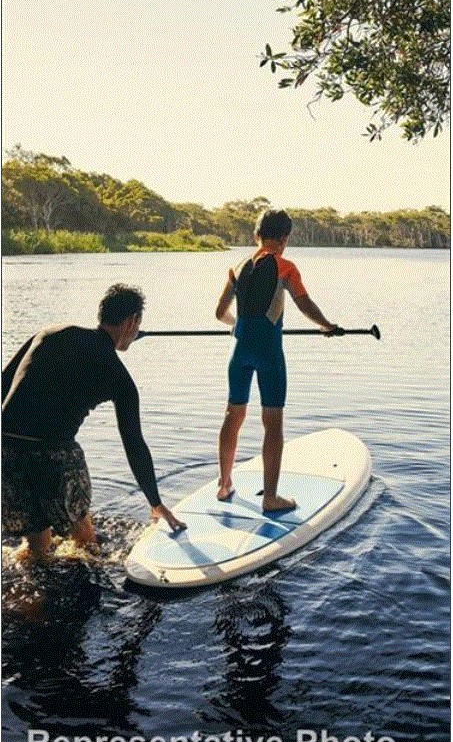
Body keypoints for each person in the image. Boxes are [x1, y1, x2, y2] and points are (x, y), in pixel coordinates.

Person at [2, 283, 187, 563]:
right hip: (53, 454)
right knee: (86, 544)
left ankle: (34, 579)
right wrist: (156, 503)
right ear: (132, 321)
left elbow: (4, 382)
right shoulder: (118, 376)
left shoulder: (51, 333)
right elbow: (134, 445)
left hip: (6, 449)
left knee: (36, 543)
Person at [215, 209, 342, 513]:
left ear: (255, 236)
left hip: (238, 352)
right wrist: (326, 325)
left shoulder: (236, 267)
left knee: (233, 415)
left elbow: (220, 313)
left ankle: (224, 483)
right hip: (269, 353)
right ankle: (270, 498)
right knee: (272, 422)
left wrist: (237, 325)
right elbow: (304, 304)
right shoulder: (286, 268)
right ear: (285, 238)